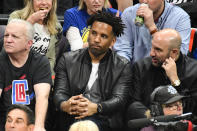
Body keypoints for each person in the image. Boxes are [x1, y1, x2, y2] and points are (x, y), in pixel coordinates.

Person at [53, 12, 131, 131]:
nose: (96, 39)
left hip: (104, 119)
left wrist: (96, 107)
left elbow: (119, 99)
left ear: (113, 41)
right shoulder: (67, 59)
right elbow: (59, 93)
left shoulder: (122, 65)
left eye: (103, 36)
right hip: (71, 116)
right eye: (93, 33)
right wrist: (65, 105)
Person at [127, 29, 197, 128]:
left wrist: (175, 81)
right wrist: (156, 118)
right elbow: (133, 104)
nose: (151, 53)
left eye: (158, 49)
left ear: (174, 52)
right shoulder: (141, 66)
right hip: (148, 124)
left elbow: (192, 112)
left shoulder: (194, 71)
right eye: (152, 48)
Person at [0, 19, 51, 131]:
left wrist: (39, 126)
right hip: (5, 121)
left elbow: (42, 97)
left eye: (14, 36)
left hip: (31, 122)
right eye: (6, 35)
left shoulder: (41, 62)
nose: (8, 40)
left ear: (29, 43)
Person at [113, 0, 191, 64]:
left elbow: (180, 56)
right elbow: (122, 50)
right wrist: (123, 72)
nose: (144, 1)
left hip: (165, 73)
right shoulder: (129, 13)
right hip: (135, 74)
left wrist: (152, 28)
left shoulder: (180, 18)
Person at [8, 0, 62, 78]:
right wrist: (31, 21)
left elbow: (51, 58)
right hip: (18, 73)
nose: (44, 3)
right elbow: (11, 43)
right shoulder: (16, 17)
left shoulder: (56, 25)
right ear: (31, 1)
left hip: (43, 74)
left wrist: (45, 78)